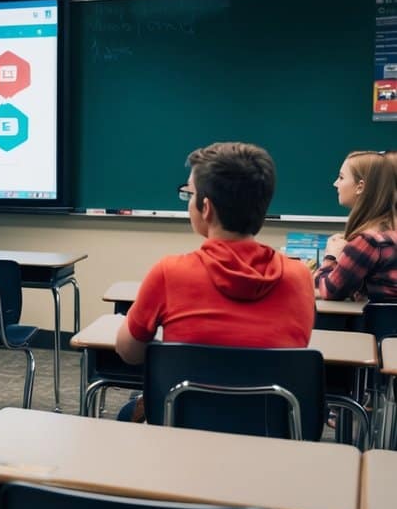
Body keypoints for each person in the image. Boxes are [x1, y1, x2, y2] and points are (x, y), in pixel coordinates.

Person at [115, 143, 315, 419]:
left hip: (185, 431)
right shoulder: (299, 276)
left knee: (128, 414)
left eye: (190, 193)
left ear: (206, 208)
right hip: (272, 433)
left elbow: (129, 352)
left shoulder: (169, 272)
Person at [315, 150, 397, 302]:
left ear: (360, 186)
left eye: (341, 177)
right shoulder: (390, 232)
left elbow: (327, 290)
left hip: (374, 325)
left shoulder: (368, 240)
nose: (335, 183)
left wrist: (331, 256)